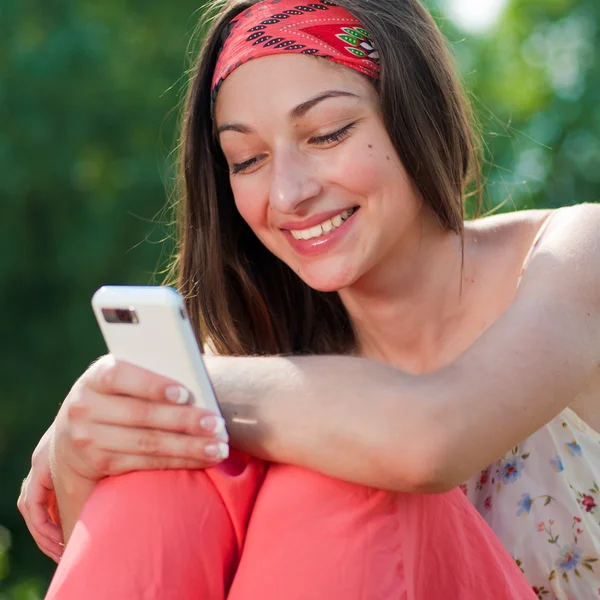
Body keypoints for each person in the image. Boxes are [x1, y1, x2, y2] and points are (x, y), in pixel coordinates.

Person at [17, 0, 600, 597]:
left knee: (340, 470)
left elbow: (428, 440)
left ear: (415, 110)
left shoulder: (574, 255)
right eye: (248, 160)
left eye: (327, 134)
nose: (288, 193)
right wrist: (85, 444)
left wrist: (170, 384)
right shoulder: (255, 352)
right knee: (170, 477)